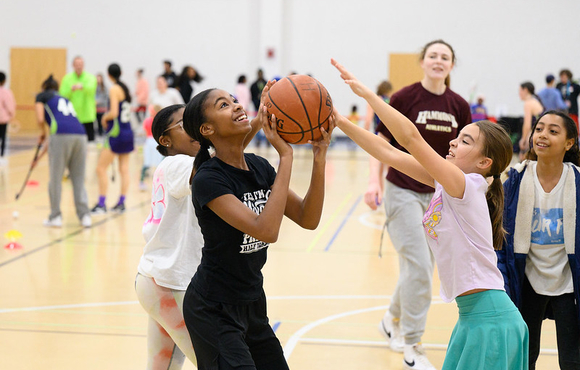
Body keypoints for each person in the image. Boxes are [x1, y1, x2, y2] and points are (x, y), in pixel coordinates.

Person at [332, 58, 528, 370]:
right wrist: (337, 120)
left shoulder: (467, 184)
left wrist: (369, 96)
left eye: (465, 140)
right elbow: (389, 152)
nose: (453, 140)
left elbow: (410, 138)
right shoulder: (449, 182)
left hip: (490, 318)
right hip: (471, 317)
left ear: (484, 163)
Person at [181, 85, 332, 370]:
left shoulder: (259, 167)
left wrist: (319, 157)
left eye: (235, 101)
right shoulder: (208, 179)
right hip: (213, 308)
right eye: (223, 105)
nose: (237, 106)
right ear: (206, 130)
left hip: (252, 303)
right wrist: (286, 158)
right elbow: (266, 231)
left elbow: (307, 218)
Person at [364, 40, 471, 370]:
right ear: (422, 61)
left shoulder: (459, 105)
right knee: (421, 268)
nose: (439, 61)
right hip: (403, 190)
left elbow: (466, 150)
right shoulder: (404, 98)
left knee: (419, 267)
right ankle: (412, 343)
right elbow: (382, 142)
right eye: (433, 55)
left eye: (446, 57)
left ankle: (390, 319)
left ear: (452, 65)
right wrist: (373, 181)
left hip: (439, 197)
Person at [498, 110, 580, 370]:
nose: (543, 135)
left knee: (572, 361)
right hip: (527, 281)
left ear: (569, 143)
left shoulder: (577, 181)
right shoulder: (514, 180)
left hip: (568, 285)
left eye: (553, 131)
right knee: (523, 358)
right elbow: (499, 238)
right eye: (539, 128)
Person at [136, 104, 201, 370]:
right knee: (218, 362)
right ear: (166, 140)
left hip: (158, 281)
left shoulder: (174, 165)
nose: (196, 127)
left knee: (162, 367)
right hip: (170, 285)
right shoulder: (178, 164)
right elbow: (214, 166)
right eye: (186, 123)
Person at [34, 75, 91, 228]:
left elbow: (40, 119)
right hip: (80, 134)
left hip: (60, 135)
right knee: (78, 178)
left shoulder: (41, 96)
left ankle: (55, 216)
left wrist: (42, 132)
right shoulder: (64, 99)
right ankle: (85, 216)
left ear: (43, 87)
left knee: (55, 178)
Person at [91, 64, 134, 214]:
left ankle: (101, 204)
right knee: (124, 169)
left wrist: (104, 117)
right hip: (128, 132)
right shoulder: (125, 89)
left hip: (116, 133)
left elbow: (114, 112)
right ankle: (121, 203)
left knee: (100, 168)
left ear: (108, 75)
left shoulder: (114, 89)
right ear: (120, 73)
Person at [59, 56, 97, 142]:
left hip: (87, 115)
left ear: (83, 65)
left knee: (89, 141)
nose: (79, 66)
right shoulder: (67, 78)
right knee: (72, 141)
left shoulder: (90, 78)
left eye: (81, 64)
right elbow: (62, 94)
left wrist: (82, 87)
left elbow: (92, 89)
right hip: (72, 115)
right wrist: (71, 89)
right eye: (77, 64)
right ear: (73, 65)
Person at [139, 105, 164, 191]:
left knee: (147, 162)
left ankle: (142, 182)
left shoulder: (148, 121)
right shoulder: (161, 122)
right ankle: (160, 183)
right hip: (156, 142)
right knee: (159, 163)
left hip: (149, 142)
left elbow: (144, 131)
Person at [518, 82, 544, 159]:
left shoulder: (528, 103)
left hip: (538, 133)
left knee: (524, 158)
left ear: (525, 90)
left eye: (520, 91)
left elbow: (527, 125)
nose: (519, 93)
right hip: (539, 132)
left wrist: (523, 139)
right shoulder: (535, 100)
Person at [0, 71, 16, 164]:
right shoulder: (6, 92)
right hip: (3, 119)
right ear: (4, 81)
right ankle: (1, 156)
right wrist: (12, 115)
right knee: (3, 138)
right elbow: (9, 105)